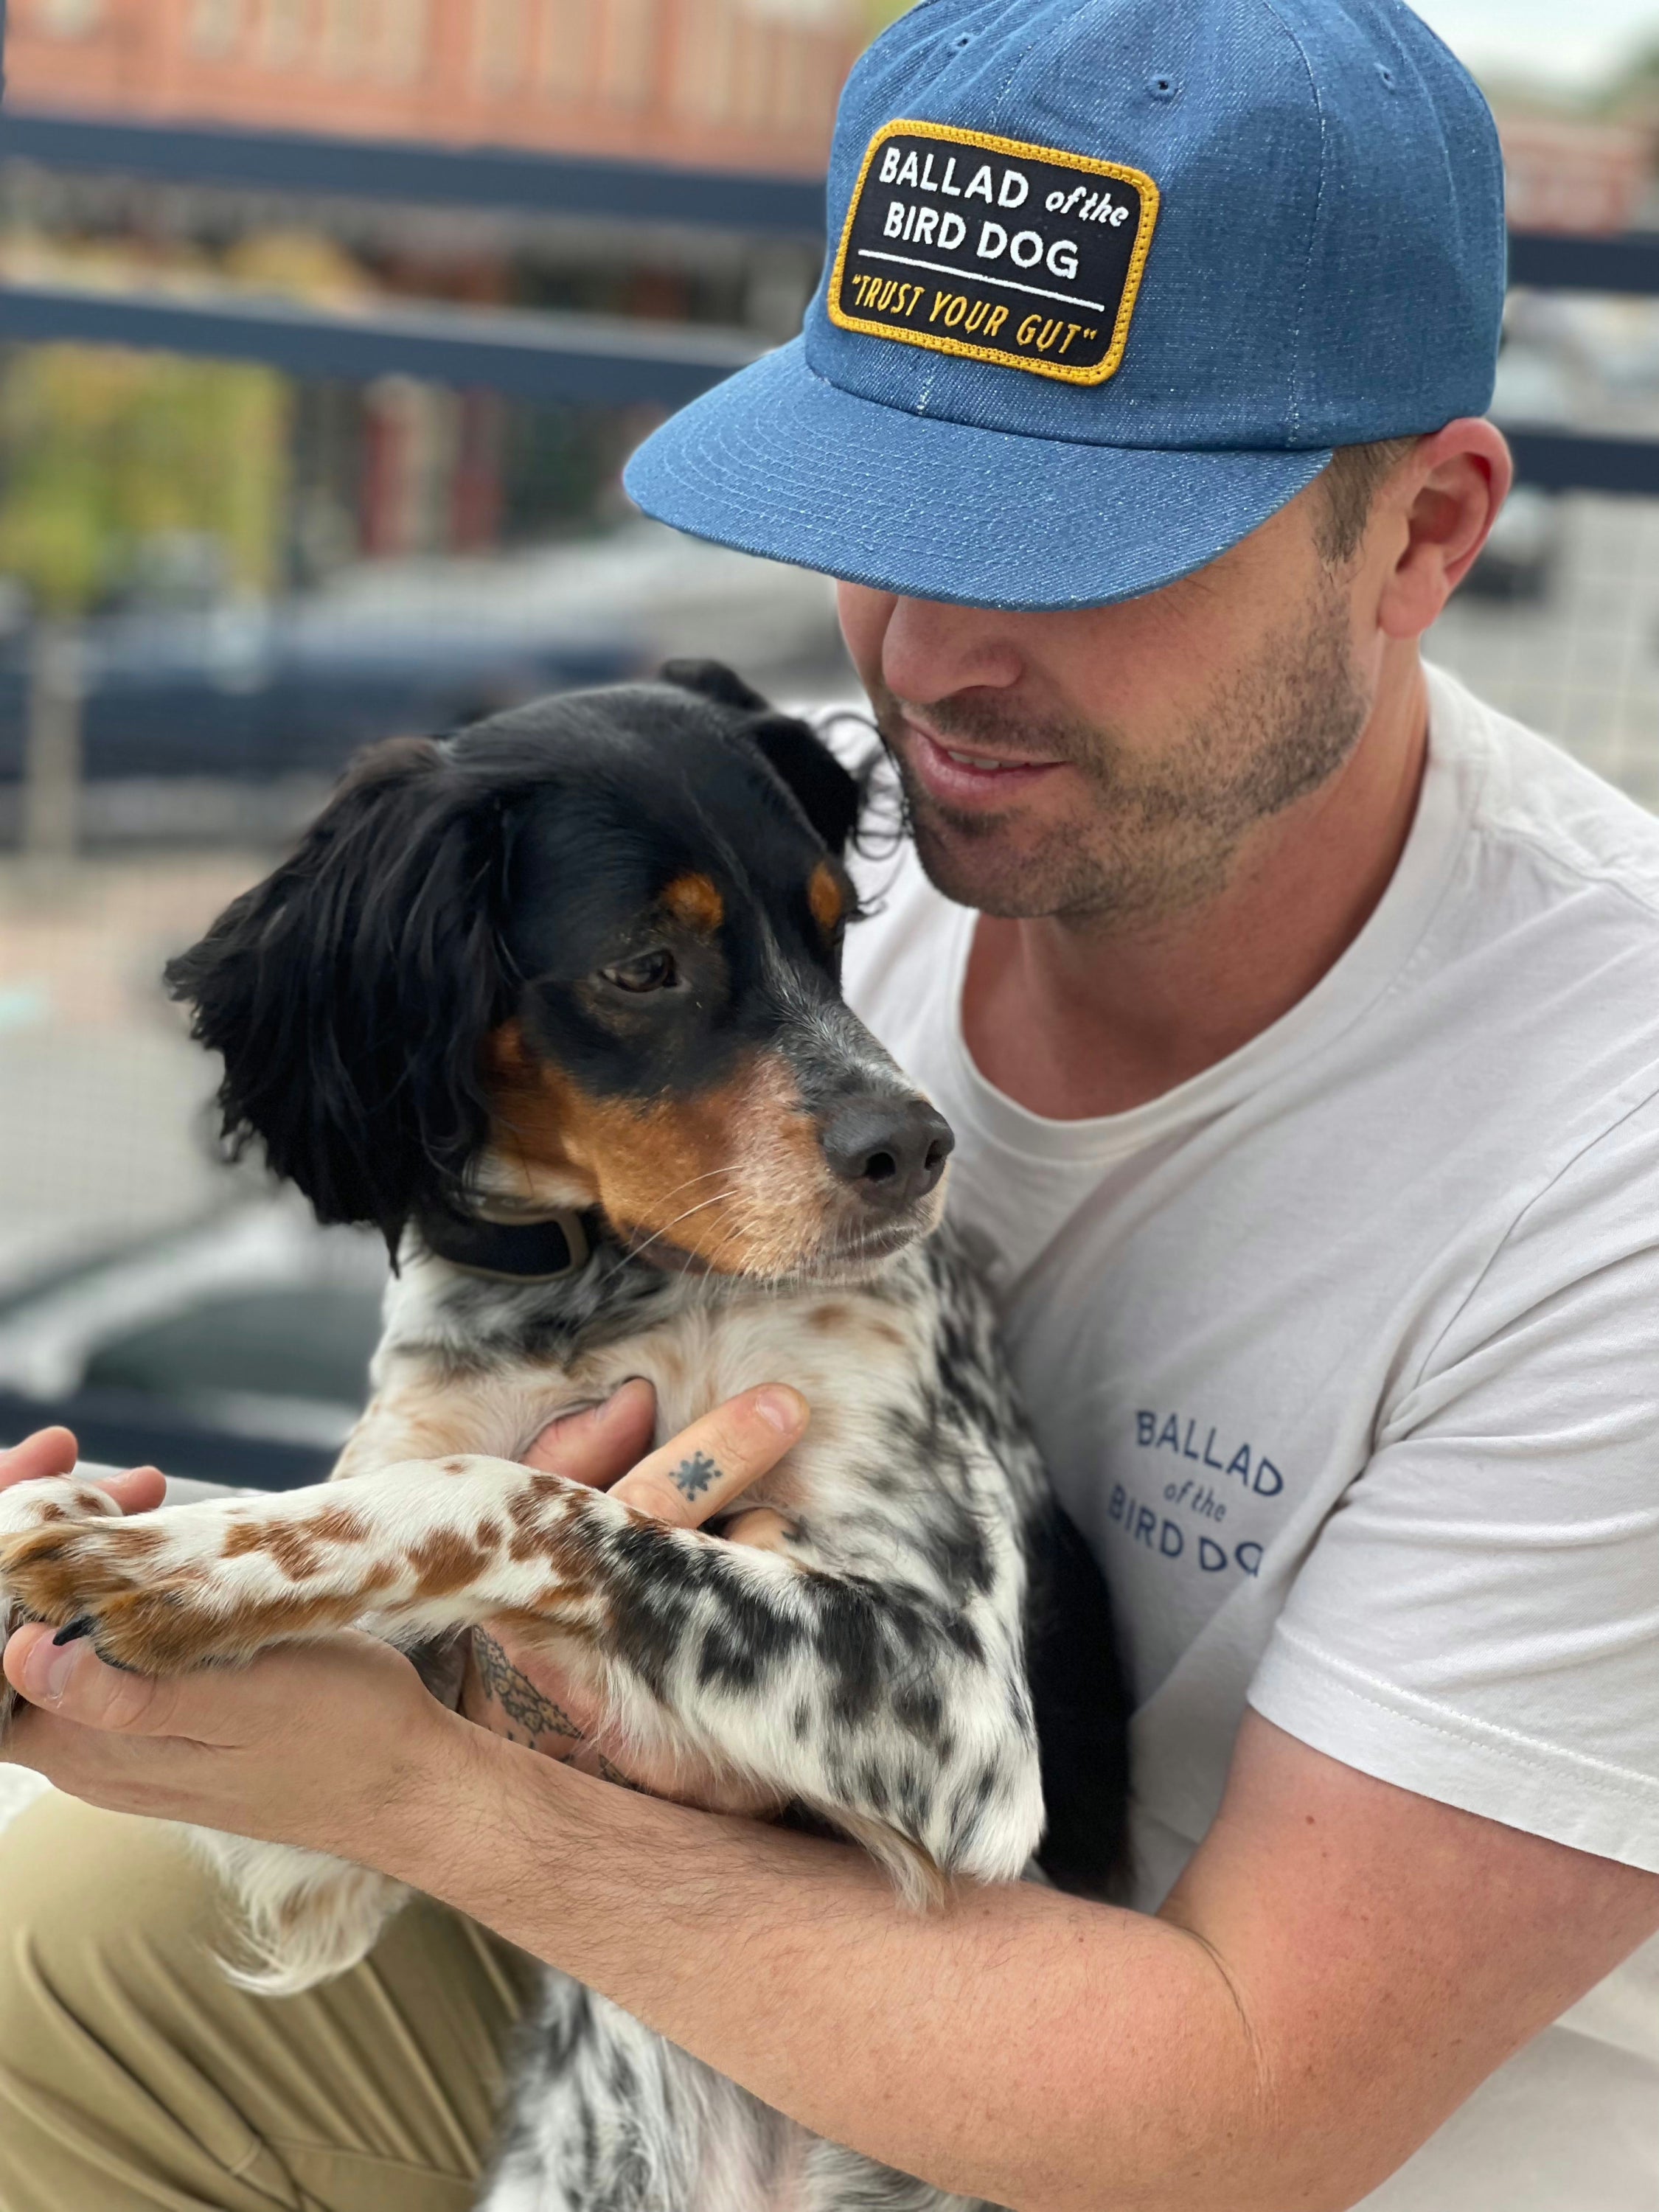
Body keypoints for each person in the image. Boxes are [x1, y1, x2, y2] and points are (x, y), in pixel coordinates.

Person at [2, 1, 1658, 2207]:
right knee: (59, 1945)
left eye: (1080, 544)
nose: (932, 657)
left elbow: (1234, 2109)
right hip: (694, 1941)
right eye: (883, 503)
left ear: (1420, 533)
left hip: (1176, 2117)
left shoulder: (1605, 1155)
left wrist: (424, 1782)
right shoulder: (790, 843)